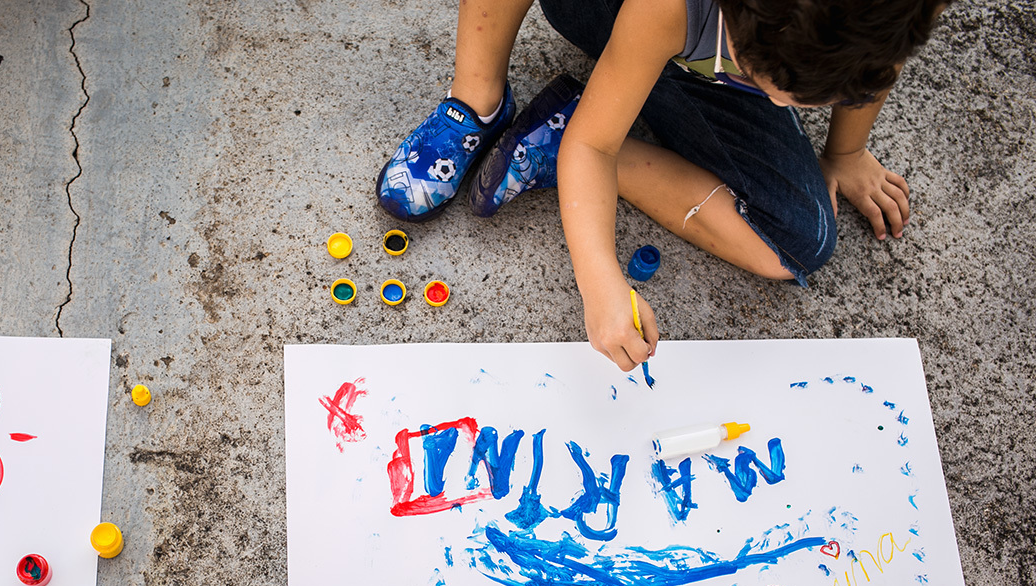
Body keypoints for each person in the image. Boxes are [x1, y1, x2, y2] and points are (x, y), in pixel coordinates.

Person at [376, 0, 948, 371]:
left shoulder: (889, 16)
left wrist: (845, 151)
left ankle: (562, 130)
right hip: (613, 11)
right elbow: (592, 147)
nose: (780, 104)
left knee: (797, 241)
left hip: (707, 58)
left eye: (812, 99)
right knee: (596, 135)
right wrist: (600, 281)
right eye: (768, 81)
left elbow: (876, 60)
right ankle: (477, 100)